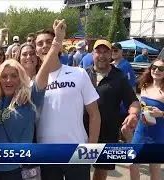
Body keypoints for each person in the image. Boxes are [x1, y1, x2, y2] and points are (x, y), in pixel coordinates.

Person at [0, 19, 66, 180]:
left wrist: (57, 41)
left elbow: (44, 69)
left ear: (20, 78)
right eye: (4, 76)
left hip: (22, 170)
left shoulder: (31, 96)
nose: (8, 80)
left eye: (13, 76)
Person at [34, 28, 101, 179]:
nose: (45, 46)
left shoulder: (79, 74)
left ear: (58, 46)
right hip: (46, 154)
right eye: (40, 43)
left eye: (49, 42)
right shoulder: (33, 83)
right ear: (36, 50)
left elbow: (94, 114)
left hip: (77, 151)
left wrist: (92, 149)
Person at [84, 40, 141, 180]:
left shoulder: (119, 76)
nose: (102, 56)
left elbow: (133, 101)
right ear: (93, 54)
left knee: (101, 171)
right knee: (80, 170)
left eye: (106, 52)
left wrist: (133, 114)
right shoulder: (83, 75)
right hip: (83, 130)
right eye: (98, 52)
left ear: (111, 54)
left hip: (108, 131)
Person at [130, 59, 164, 180]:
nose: (156, 70)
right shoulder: (145, 85)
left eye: (161, 69)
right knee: (132, 164)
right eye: (154, 67)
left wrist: (161, 114)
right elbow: (141, 105)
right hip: (141, 131)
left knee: (154, 169)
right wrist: (133, 116)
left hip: (158, 134)